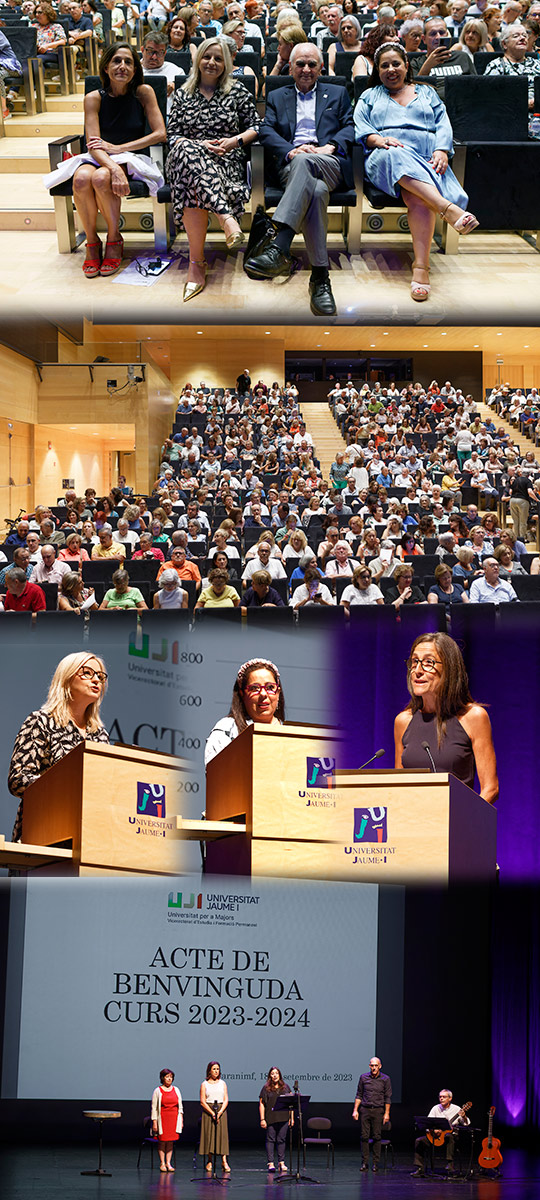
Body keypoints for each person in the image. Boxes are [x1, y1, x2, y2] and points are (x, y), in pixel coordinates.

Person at [354, 42, 477, 302]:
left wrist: (442, 150)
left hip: (427, 159)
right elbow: (360, 128)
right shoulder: (369, 96)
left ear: (407, 66)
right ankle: (448, 209)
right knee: (396, 153)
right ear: (377, 70)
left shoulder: (427, 92)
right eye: (384, 65)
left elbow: (443, 123)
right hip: (385, 159)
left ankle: (421, 268)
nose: (391, 70)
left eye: (396, 64)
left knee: (417, 197)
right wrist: (378, 139)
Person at [245, 43, 355, 316]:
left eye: (312, 64)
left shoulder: (338, 93)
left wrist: (329, 148)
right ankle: (320, 277)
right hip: (291, 166)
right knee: (316, 192)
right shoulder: (277, 95)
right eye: (300, 64)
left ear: (320, 67)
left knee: (311, 167)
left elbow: (352, 126)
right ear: (290, 67)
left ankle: (280, 245)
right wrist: (291, 150)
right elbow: (266, 129)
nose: (306, 69)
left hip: (329, 163)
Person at [47, 44, 166, 277]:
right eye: (116, 61)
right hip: (99, 154)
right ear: (106, 66)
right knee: (81, 179)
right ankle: (92, 242)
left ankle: (114, 238)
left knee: (101, 178)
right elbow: (93, 143)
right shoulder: (93, 98)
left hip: (131, 154)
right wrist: (112, 165)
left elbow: (160, 133)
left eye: (128, 62)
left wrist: (119, 150)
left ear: (135, 68)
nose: (122, 66)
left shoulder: (144, 92)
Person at [166, 38, 260, 300]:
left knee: (191, 183)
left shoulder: (238, 91)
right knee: (186, 151)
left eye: (219, 59)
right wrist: (200, 145)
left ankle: (197, 264)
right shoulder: (183, 93)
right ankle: (226, 217)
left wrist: (235, 141)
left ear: (226, 63)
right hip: (186, 158)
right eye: (207, 57)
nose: (212, 63)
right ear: (198, 60)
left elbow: (255, 126)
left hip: (225, 161)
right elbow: (172, 135)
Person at [8, 653, 110, 841]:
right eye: (87, 673)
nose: (97, 679)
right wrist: (66, 790)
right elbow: (18, 779)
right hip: (43, 833)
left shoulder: (100, 735)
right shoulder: (41, 721)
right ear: (67, 678)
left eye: (101, 676)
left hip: (90, 836)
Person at [394, 632, 498, 802]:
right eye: (414, 662)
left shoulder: (473, 717)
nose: (418, 671)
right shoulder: (403, 721)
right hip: (413, 823)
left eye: (429, 662)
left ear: (449, 669)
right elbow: (398, 786)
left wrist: (461, 820)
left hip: (457, 824)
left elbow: (490, 789)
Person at [204, 658, 285, 765]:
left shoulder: (290, 733)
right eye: (255, 688)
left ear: (278, 693)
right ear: (242, 694)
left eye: (270, 687)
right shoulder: (227, 728)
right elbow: (214, 773)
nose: (263, 694)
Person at [411, 1089, 470, 1177]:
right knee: (419, 1141)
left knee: (448, 1136)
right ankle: (420, 1168)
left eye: (444, 1097)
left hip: (449, 1138)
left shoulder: (457, 1109)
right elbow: (428, 1123)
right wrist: (433, 1130)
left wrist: (464, 1116)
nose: (441, 1098)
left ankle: (450, 1165)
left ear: (450, 1098)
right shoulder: (435, 1108)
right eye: (440, 1097)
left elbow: (466, 1123)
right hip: (435, 1137)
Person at [352, 1057, 392, 1173]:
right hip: (365, 1109)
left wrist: (387, 1113)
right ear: (369, 1066)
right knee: (364, 1136)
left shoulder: (385, 1079)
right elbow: (359, 1094)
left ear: (380, 1066)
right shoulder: (363, 1077)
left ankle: (375, 1163)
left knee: (376, 1136)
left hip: (378, 1110)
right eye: (372, 1065)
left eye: (376, 1065)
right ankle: (364, 1162)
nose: (374, 1068)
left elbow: (387, 1097)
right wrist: (355, 1110)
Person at [259, 1067, 292, 1173]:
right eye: (272, 1073)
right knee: (271, 1139)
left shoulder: (285, 1087)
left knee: (281, 1140)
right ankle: (271, 1163)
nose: (275, 1075)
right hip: (271, 1117)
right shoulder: (266, 1088)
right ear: (270, 1076)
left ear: (280, 1075)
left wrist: (291, 1118)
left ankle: (281, 1162)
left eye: (276, 1073)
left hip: (284, 1117)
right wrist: (262, 1119)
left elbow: (291, 1103)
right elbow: (262, 1104)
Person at [200, 1061, 230, 1173]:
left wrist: (220, 1112)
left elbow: (226, 1099)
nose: (216, 1071)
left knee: (222, 1136)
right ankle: (210, 1160)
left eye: (218, 1069)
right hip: (209, 1111)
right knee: (209, 1136)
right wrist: (212, 1113)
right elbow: (202, 1101)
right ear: (209, 1070)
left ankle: (224, 1161)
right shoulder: (204, 1084)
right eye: (214, 1069)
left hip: (221, 1110)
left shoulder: (223, 1083)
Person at [151, 1067, 183, 1173]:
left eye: (171, 1077)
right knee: (162, 1141)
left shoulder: (176, 1090)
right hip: (163, 1119)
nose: (169, 1079)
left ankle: (168, 1163)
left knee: (170, 1142)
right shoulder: (158, 1091)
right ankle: (162, 1163)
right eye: (167, 1077)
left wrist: (181, 1119)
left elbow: (180, 1107)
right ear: (162, 1078)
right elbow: (154, 1108)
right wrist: (154, 1122)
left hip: (173, 1119)